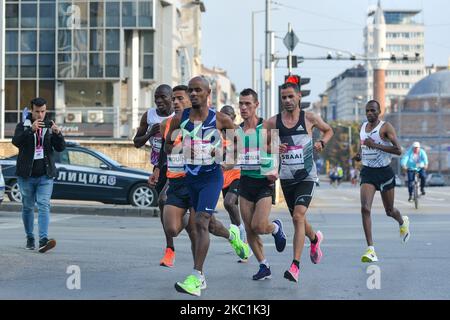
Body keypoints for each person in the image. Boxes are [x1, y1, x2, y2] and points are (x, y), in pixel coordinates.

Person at [165, 76, 249, 297]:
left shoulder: (220, 120)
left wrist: (225, 159)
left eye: (197, 90)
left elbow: (239, 145)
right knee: (210, 225)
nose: (193, 94)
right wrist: (178, 149)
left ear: (207, 93)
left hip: (211, 178)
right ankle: (233, 237)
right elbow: (167, 146)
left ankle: (197, 276)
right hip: (190, 179)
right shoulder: (181, 118)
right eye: (190, 90)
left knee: (200, 221)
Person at [265, 82, 333, 283]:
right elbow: (261, 143)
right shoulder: (273, 122)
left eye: (290, 97)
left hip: (306, 175)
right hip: (286, 178)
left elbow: (328, 130)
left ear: (298, 97)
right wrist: (276, 147)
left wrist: (321, 142)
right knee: (299, 219)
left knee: (298, 215)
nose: (287, 100)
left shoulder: (309, 118)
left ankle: (295, 266)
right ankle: (314, 238)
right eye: (284, 97)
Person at [236, 88, 286, 280]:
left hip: (264, 182)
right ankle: (264, 265)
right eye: (241, 103)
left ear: (256, 105)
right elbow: (233, 157)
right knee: (249, 229)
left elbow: (275, 153)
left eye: (248, 103)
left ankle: (275, 228)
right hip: (245, 182)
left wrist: (275, 173)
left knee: (258, 225)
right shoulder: (238, 131)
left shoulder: (266, 127)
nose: (243, 107)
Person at [354, 100, 410, 263]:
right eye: (367, 111)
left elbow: (398, 150)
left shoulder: (386, 127)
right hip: (368, 172)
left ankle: (402, 221)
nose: (369, 113)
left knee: (389, 210)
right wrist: (359, 154)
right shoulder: (362, 127)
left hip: (385, 173)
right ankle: (370, 249)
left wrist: (376, 145)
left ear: (379, 112)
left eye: (373, 110)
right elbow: (363, 146)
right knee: (365, 208)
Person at [12, 97, 66, 253]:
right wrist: (31, 131)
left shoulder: (50, 126)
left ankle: (43, 239)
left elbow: (60, 148)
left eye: (43, 111)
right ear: (32, 111)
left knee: (44, 205)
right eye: (37, 111)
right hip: (26, 175)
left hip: (45, 175)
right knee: (28, 207)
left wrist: (58, 133)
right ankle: (30, 237)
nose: (41, 115)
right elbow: (16, 142)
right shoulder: (23, 125)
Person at [133, 84, 175, 266]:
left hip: (178, 166)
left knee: (164, 201)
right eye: (156, 97)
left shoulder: (179, 117)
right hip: (159, 167)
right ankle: (169, 248)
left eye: (163, 97)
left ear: (172, 98)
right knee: (163, 205)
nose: (158, 101)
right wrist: (150, 132)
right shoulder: (149, 116)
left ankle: (234, 235)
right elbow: (136, 142)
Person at [155, 85, 196, 267]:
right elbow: (165, 150)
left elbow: (226, 142)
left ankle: (232, 237)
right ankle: (169, 248)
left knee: (202, 227)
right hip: (174, 176)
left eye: (180, 99)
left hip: (196, 179)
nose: (176, 103)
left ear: (190, 100)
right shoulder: (167, 124)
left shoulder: (202, 121)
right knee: (162, 201)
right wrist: (157, 168)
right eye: (174, 99)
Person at [219, 105, 246, 244]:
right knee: (231, 208)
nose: (225, 118)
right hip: (224, 174)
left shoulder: (238, 131)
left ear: (233, 118)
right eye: (222, 115)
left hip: (238, 172)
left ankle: (241, 230)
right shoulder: (216, 132)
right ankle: (241, 244)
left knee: (229, 202)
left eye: (228, 115)